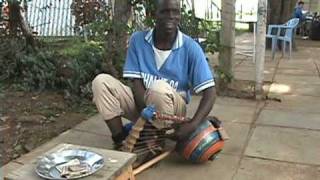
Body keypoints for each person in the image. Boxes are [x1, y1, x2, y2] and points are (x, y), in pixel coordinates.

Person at [92, 0, 216, 150]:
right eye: (164, 11)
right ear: (153, 14)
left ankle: (153, 142)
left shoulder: (190, 48)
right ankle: (120, 140)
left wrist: (193, 125)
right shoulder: (138, 40)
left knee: (158, 88)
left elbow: (210, 92)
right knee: (101, 82)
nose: (171, 16)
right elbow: (136, 82)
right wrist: (146, 116)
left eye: (175, 12)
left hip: (172, 111)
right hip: (143, 105)